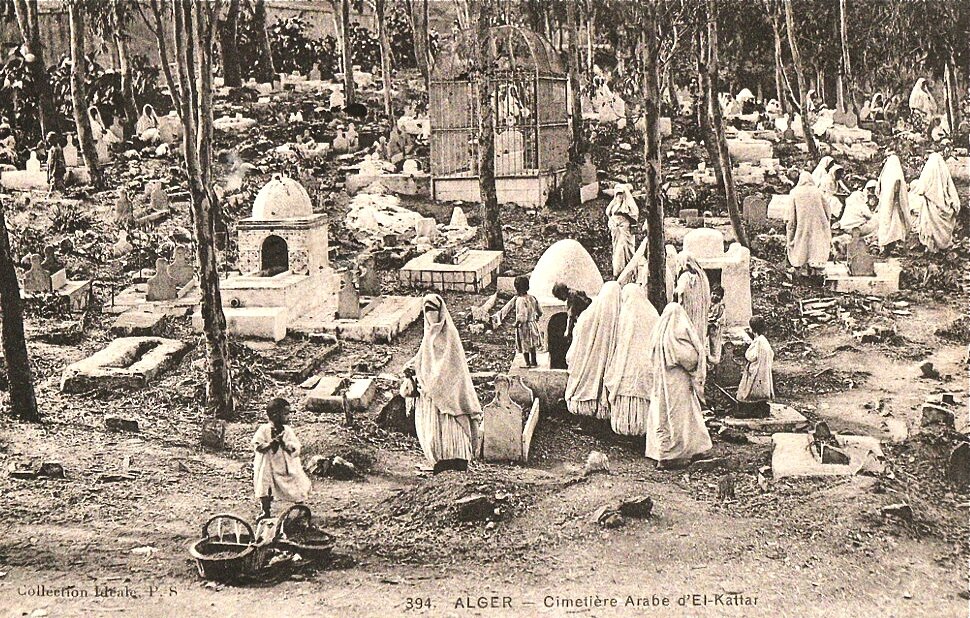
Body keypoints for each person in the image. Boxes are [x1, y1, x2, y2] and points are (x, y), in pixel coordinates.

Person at [406, 294, 481, 474]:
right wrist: (411, 369)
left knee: (453, 432)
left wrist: (436, 383)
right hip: (433, 397)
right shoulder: (427, 336)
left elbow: (455, 368)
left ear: (440, 311)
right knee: (435, 434)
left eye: (433, 309)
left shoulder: (450, 335)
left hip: (451, 395)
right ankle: (439, 463)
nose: (430, 314)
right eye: (427, 310)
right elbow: (423, 360)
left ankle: (457, 462)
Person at [645, 279, 712, 469]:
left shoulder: (658, 334)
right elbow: (689, 358)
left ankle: (663, 453)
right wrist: (696, 367)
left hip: (660, 381)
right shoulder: (675, 336)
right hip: (677, 382)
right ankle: (677, 454)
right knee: (680, 417)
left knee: (661, 415)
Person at [603, 283, 660, 436]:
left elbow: (622, 341)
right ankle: (644, 430)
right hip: (647, 364)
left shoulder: (627, 314)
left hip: (629, 363)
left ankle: (627, 429)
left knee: (628, 395)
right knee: (644, 398)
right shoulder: (652, 313)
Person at [565, 281, 621, 419]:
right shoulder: (621, 317)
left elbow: (578, 332)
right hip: (608, 362)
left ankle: (586, 415)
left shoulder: (589, 314)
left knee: (588, 380)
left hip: (589, 362)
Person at [252, 398, 311, 519]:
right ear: (275, 415)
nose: (288, 417)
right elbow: (258, 446)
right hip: (268, 464)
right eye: (285, 414)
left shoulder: (287, 431)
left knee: (296, 482)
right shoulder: (264, 429)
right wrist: (270, 444)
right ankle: (265, 511)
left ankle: (300, 507)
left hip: (284, 463)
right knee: (265, 486)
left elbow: (296, 446)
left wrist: (285, 445)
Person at [909, 152, 961, 253]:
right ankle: (942, 247)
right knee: (939, 227)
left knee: (929, 226)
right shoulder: (944, 171)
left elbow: (921, 188)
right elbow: (950, 189)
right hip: (943, 205)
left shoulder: (929, 170)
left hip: (931, 206)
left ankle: (932, 249)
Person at [786, 171, 832, 277]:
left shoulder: (795, 192)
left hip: (801, 225)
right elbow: (827, 210)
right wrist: (825, 221)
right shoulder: (818, 192)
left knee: (801, 243)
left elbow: (790, 212)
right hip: (817, 225)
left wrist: (790, 225)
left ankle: (802, 269)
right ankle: (816, 270)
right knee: (815, 244)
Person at [493, 275, 543, 368]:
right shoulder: (532, 298)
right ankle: (534, 362)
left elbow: (522, 317)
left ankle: (527, 363)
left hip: (524, 327)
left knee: (525, 345)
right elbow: (540, 311)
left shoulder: (520, 300)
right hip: (533, 324)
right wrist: (535, 317)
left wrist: (515, 324)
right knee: (532, 345)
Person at [736, 316, 774, 419]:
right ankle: (761, 409)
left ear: (753, 329)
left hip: (757, 371)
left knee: (750, 391)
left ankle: (750, 411)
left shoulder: (758, 342)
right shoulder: (764, 340)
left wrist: (748, 348)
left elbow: (750, 356)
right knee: (762, 390)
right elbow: (771, 354)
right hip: (764, 370)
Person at [874, 154, 911, 253]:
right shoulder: (897, 176)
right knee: (895, 224)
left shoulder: (885, 176)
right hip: (895, 204)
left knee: (886, 224)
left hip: (885, 205)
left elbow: (878, 191)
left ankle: (886, 247)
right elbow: (898, 192)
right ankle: (894, 246)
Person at [551, 283, 592, 370]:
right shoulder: (576, 293)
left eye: (559, 297)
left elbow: (571, 316)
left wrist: (567, 331)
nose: (559, 299)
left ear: (562, 293)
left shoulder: (572, 297)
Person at [606, 183, 638, 278]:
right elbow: (609, 214)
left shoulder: (628, 206)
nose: (619, 196)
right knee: (617, 249)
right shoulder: (613, 205)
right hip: (616, 230)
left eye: (621, 194)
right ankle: (617, 271)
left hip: (624, 230)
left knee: (624, 248)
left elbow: (634, 216)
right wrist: (612, 222)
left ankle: (626, 271)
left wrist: (625, 219)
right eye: (617, 194)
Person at [707, 285, 725, 365]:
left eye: (718, 295)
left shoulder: (720, 306)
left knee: (714, 344)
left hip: (714, 328)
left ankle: (714, 360)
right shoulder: (707, 304)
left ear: (721, 297)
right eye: (713, 293)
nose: (715, 296)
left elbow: (721, 318)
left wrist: (715, 323)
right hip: (707, 325)